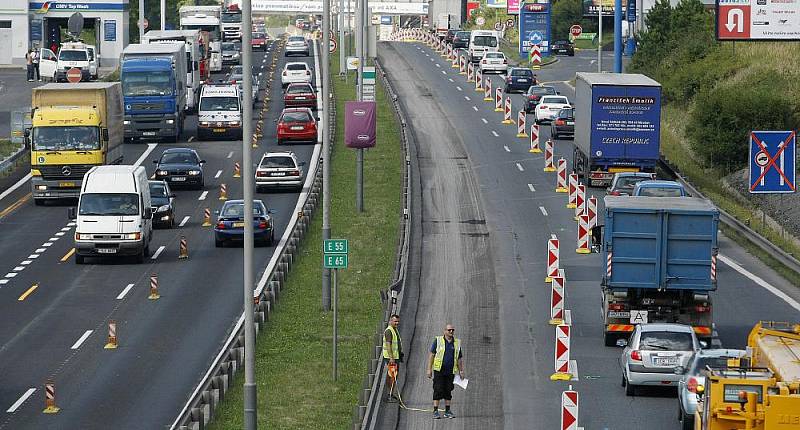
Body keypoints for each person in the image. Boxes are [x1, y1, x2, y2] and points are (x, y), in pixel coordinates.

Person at [426, 323, 464, 419]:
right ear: (444, 331)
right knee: (438, 389)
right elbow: (432, 355)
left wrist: (461, 371)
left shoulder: (456, 343)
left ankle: (447, 411)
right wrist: (429, 369)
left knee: (448, 390)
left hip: (450, 371)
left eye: (452, 330)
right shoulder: (438, 341)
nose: (451, 331)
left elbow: (459, 358)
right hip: (439, 371)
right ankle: (435, 411)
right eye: (449, 330)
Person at [382, 314, 402, 400]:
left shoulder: (394, 330)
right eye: (395, 321)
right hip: (391, 358)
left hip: (395, 357)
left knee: (394, 375)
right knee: (392, 375)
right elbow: (388, 345)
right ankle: (389, 394)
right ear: (391, 321)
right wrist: (391, 358)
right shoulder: (389, 331)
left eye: (398, 321)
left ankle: (391, 393)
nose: (397, 323)